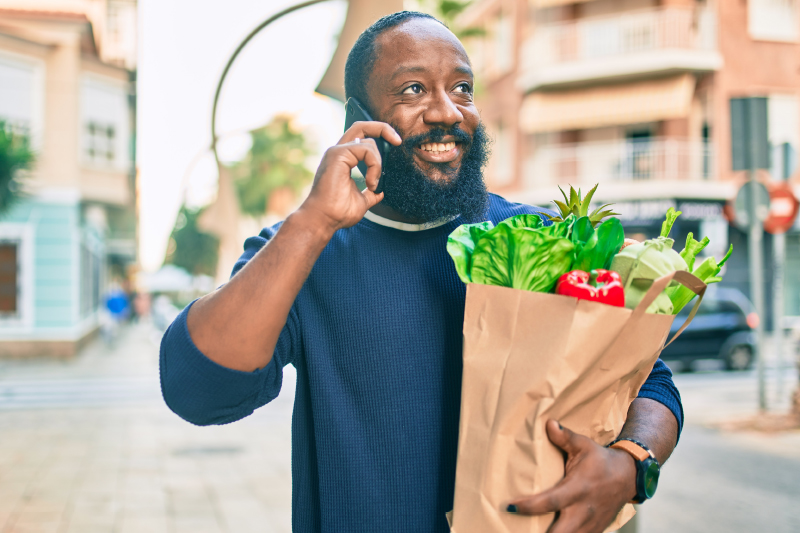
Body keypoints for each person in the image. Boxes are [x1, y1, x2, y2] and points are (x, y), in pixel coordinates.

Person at [160, 11, 682, 533]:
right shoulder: (303, 248)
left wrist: (632, 464)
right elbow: (198, 391)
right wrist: (312, 223)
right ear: (358, 119)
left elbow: (648, 380)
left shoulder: (541, 238)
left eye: (462, 88)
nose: (447, 112)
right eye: (413, 89)